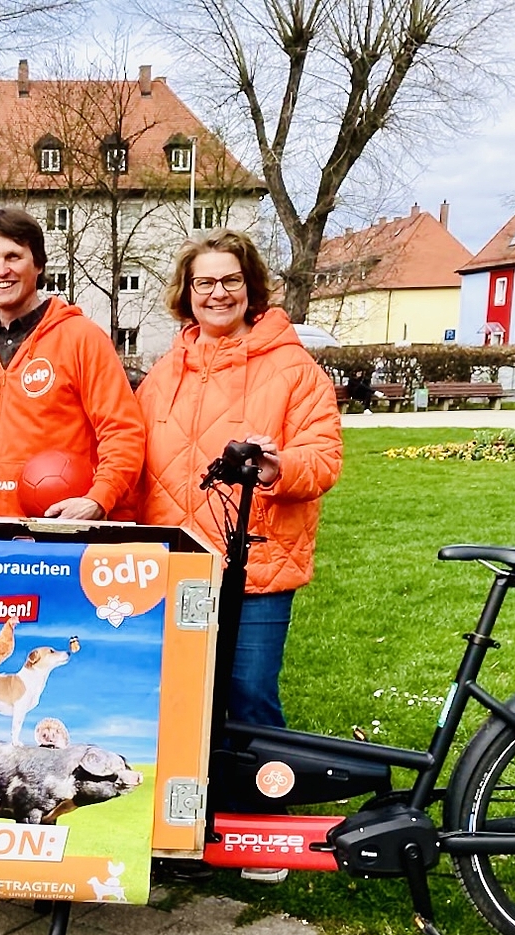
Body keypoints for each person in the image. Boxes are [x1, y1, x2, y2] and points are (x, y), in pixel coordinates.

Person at [137, 229, 342, 728]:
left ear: (250, 286)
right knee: (182, 703)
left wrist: (280, 468)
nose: (218, 293)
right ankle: (197, 806)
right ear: (186, 293)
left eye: (230, 280)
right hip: (178, 568)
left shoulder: (294, 369)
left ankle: (264, 804)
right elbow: (133, 463)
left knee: (248, 699)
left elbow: (324, 457)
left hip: (258, 567)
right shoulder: (162, 376)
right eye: (204, 282)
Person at [0, 208, 144, 520]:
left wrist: (98, 499)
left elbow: (122, 431)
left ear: (37, 264)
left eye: (13, 256)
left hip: (61, 536)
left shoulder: (81, 338)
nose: (2, 270)